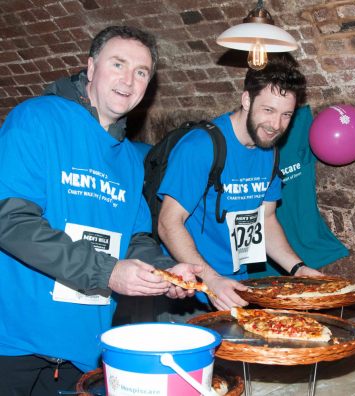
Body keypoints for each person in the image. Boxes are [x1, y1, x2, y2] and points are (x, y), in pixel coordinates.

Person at [0, 25, 201, 395]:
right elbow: (11, 222)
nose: (129, 80)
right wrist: (107, 272)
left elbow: (135, 237)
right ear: (91, 68)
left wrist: (166, 271)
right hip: (15, 342)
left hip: (85, 346)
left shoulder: (128, 159)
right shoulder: (37, 119)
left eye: (141, 72)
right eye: (118, 64)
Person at [157, 54, 322, 317]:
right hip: (189, 289)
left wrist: (297, 268)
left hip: (237, 285)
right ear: (246, 100)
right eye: (268, 110)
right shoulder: (200, 146)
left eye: (286, 115)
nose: (276, 125)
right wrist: (210, 280)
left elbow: (266, 220)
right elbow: (168, 223)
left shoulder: (269, 151)